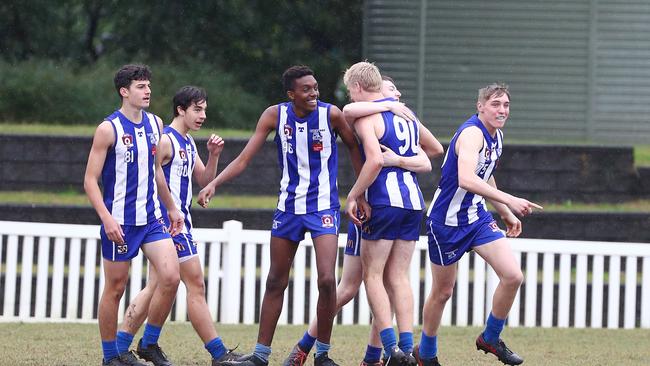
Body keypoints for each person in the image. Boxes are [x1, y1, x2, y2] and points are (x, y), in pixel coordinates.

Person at [197, 65, 364, 366]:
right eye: (306, 89)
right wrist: (214, 183)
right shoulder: (274, 115)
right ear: (291, 94)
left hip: (323, 207)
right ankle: (260, 356)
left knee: (327, 279)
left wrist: (360, 192)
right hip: (288, 209)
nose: (314, 93)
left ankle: (323, 355)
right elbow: (246, 158)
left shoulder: (332, 115)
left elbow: (355, 148)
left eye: (315, 87)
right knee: (275, 279)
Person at [281, 75, 443, 366]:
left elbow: (429, 156)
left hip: (377, 203)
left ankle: (380, 354)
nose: (398, 93)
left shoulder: (392, 114)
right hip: (402, 203)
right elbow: (351, 111)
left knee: (377, 280)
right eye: (391, 88)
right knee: (360, 285)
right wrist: (390, 108)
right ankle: (310, 346)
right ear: (377, 89)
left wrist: (396, 161)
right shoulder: (378, 111)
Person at [414, 83, 542, 366]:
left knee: (513, 276)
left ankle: (490, 338)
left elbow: (484, 175)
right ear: (480, 106)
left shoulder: (497, 137)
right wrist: (510, 199)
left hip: (476, 217)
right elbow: (466, 179)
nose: (502, 110)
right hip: (446, 222)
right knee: (443, 292)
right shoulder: (472, 134)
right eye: (496, 104)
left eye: (506, 105)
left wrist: (505, 212)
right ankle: (426, 353)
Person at [113, 86, 241, 366]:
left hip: (180, 220)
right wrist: (166, 210)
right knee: (195, 283)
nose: (203, 115)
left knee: (157, 285)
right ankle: (218, 354)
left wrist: (214, 155)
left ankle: (131, 346)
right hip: (167, 224)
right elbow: (150, 172)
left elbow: (203, 178)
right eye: (197, 109)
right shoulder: (167, 140)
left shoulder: (188, 142)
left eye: (204, 109)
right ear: (180, 110)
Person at [83, 64, 184, 366]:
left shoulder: (156, 124)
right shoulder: (108, 129)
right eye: (141, 86)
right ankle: (110, 356)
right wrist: (107, 218)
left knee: (171, 276)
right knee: (115, 289)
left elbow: (156, 173)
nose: (148, 91)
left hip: (151, 218)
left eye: (148, 85)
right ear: (124, 91)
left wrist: (172, 207)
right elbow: (90, 180)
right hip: (120, 221)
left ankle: (149, 343)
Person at [343, 61, 428, 366]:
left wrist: (354, 194)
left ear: (357, 87)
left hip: (384, 200)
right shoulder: (406, 116)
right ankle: (408, 347)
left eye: (350, 91)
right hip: (413, 202)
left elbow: (375, 161)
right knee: (400, 276)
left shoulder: (369, 117)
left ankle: (392, 349)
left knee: (374, 275)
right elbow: (429, 155)